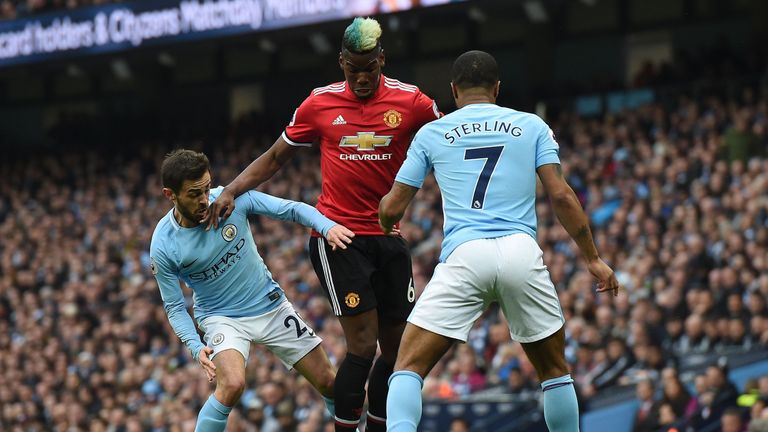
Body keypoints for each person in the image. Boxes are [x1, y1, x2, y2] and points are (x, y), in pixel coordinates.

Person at [203, 17, 442, 432]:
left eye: (371, 68)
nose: (363, 77)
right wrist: (231, 190)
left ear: (382, 59)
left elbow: (449, 141)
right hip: (338, 237)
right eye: (354, 70)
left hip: (388, 236)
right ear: (341, 63)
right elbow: (276, 157)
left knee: (396, 352)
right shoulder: (318, 104)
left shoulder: (413, 102)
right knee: (362, 347)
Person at [379, 50, 619, 432]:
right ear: (497, 88)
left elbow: (394, 206)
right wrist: (591, 258)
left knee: (407, 366)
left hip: (465, 256)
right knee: (555, 371)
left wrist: (384, 217)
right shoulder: (532, 125)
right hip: (520, 252)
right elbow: (561, 195)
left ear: (454, 90)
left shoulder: (432, 133)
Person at [150, 149, 355, 432]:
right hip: (221, 317)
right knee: (232, 384)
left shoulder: (230, 200)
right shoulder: (164, 245)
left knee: (331, 383)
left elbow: (292, 208)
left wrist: (327, 226)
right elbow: (173, 306)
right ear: (169, 194)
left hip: (270, 306)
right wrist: (196, 348)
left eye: (207, 188)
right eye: (194, 193)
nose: (203, 199)